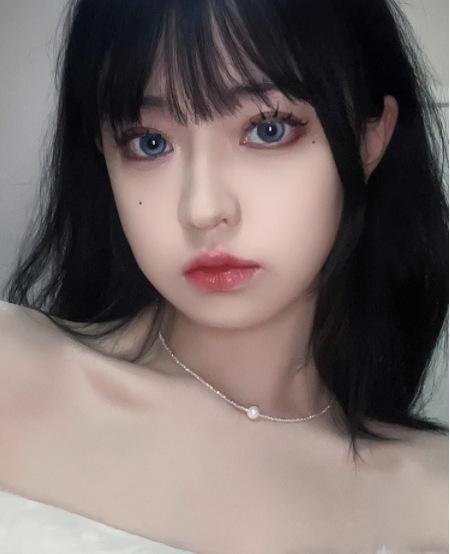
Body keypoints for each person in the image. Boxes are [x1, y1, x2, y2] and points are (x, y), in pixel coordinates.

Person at [0, 0, 448, 552]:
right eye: (149, 142)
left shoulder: (432, 498)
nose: (203, 209)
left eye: (268, 129)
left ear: (368, 139)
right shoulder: (12, 372)